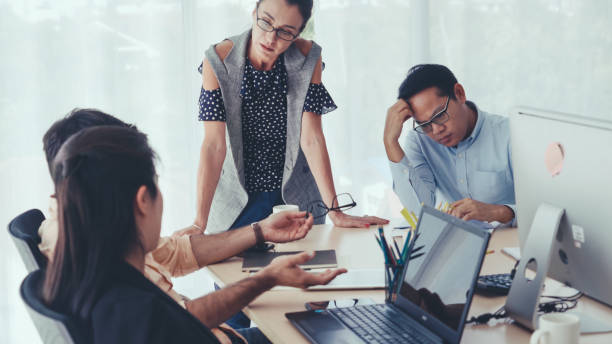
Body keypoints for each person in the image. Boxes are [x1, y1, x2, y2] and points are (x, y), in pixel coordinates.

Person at [39, 109, 338, 343]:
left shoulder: (94, 256)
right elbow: (175, 322)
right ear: (143, 199)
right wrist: (267, 279)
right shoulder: (128, 302)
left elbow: (175, 253)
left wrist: (259, 230)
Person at [195, 0, 388, 240]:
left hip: (293, 200)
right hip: (236, 205)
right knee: (236, 276)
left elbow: (312, 139)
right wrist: (198, 223)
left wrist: (335, 211)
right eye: (265, 21)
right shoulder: (217, 60)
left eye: (285, 31)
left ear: (298, 33)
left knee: (301, 273)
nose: (270, 38)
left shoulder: (308, 58)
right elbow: (214, 146)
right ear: (254, 13)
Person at [383, 64, 515, 225]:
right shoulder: (420, 140)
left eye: (439, 115)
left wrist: (499, 212)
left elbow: (547, 210)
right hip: (455, 246)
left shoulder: (511, 135)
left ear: (459, 94)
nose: (436, 130)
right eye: (425, 125)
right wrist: (390, 142)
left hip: (508, 244)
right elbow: (418, 212)